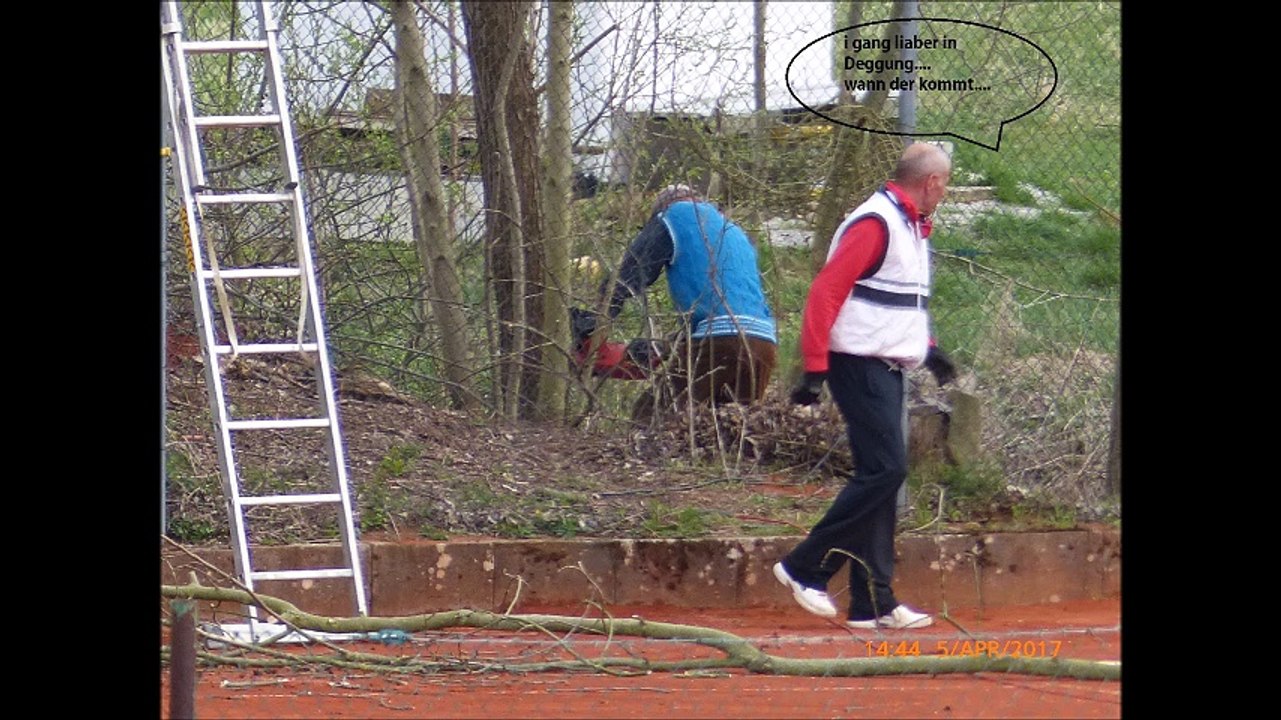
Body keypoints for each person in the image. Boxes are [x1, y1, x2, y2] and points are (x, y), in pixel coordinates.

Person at [773, 143, 958, 630]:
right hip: (858, 362)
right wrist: (813, 369)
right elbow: (826, 291)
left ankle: (872, 601)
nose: (946, 193)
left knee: (884, 475)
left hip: (885, 364)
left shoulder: (908, 225)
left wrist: (930, 348)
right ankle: (804, 567)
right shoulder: (876, 222)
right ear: (932, 183)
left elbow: (901, 299)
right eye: (947, 184)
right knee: (884, 472)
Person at [571, 185, 778, 414]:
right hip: (764, 343)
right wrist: (661, 348)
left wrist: (596, 321)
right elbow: (725, 300)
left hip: (720, 336)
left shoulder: (673, 216)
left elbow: (632, 272)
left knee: (652, 416)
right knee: (732, 428)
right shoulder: (734, 232)